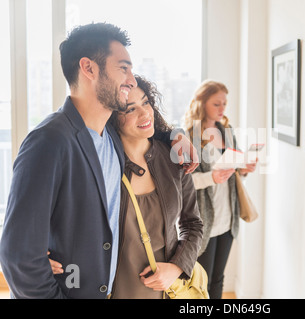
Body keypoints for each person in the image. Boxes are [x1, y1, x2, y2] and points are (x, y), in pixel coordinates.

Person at [0, 23, 198, 299]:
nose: (130, 80)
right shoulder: (49, 142)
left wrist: (178, 134)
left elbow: (145, 132)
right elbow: (19, 258)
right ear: (89, 68)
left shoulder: (110, 139)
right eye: (123, 68)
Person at [109, 75, 203, 298]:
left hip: (165, 290)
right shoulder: (103, 166)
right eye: (130, 109)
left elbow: (193, 224)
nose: (144, 114)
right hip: (114, 290)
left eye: (145, 102)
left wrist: (177, 267)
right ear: (112, 117)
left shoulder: (174, 158)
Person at [184, 80, 257, 299]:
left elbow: (233, 170)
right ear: (202, 103)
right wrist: (211, 178)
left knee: (218, 278)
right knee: (200, 281)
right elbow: (184, 182)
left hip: (228, 216)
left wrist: (243, 169)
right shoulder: (189, 135)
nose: (222, 108)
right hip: (204, 219)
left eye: (224, 103)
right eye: (217, 103)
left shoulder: (226, 131)